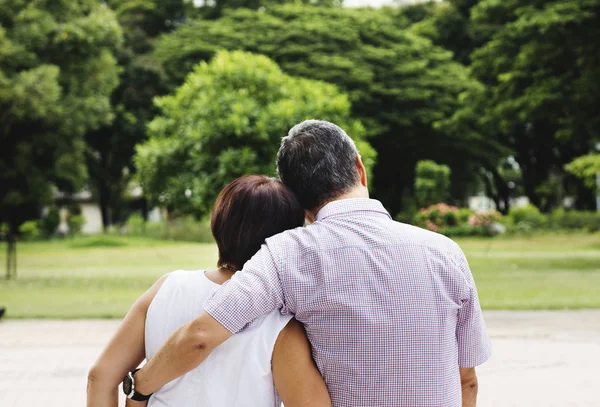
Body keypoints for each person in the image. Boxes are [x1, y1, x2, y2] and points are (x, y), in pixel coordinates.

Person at [132, 120, 492, 407]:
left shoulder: (285, 254)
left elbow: (201, 336)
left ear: (295, 197)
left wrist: (141, 388)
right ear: (359, 168)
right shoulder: (445, 253)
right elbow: (467, 380)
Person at [87, 175, 331, 407]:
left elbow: (100, 377)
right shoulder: (280, 321)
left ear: (218, 224)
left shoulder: (167, 287)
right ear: (287, 240)